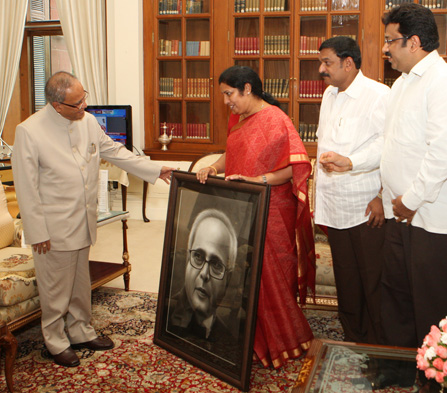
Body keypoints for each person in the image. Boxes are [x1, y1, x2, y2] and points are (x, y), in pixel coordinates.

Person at [12, 71, 173, 368]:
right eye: (77, 103)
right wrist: (37, 231)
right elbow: (26, 186)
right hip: (51, 226)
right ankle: (55, 340)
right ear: (57, 105)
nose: (84, 106)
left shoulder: (86, 121)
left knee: (79, 282)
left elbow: (113, 151)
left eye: (84, 98)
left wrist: (154, 169)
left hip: (83, 220)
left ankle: (81, 331)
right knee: (55, 288)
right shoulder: (29, 131)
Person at [197, 65, 315, 368]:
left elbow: (297, 166)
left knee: (272, 275)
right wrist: (213, 167)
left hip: (272, 209)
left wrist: (260, 181)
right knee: (244, 274)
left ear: (247, 88)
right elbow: (230, 154)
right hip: (242, 208)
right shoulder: (239, 119)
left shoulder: (277, 119)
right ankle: (250, 337)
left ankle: (282, 339)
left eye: (229, 94)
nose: (226, 102)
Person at [378, 3, 447, 387]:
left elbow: (444, 152)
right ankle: (402, 371)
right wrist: (390, 201)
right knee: (398, 299)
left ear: (414, 42)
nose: (386, 49)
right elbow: (396, 147)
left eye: (391, 41)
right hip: (400, 214)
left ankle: (437, 382)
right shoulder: (401, 84)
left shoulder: (445, 80)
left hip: (431, 217)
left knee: (432, 306)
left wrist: (410, 200)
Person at [314, 36, 389, 344]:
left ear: (348, 63)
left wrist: (381, 195)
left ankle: (380, 348)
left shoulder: (379, 95)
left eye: (327, 62)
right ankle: (353, 340)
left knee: (373, 281)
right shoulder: (329, 95)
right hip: (335, 206)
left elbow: (389, 146)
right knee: (347, 281)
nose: (321, 69)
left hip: (365, 206)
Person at [169, 208, 238, 341]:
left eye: (216, 264)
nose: (204, 274)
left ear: (228, 279)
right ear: (187, 260)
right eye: (198, 256)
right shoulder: (165, 317)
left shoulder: (229, 340)